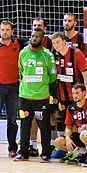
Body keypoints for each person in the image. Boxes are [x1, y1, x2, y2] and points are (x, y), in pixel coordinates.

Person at [13, 28, 57, 162]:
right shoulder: (23, 53)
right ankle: (24, 152)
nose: (34, 38)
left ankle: (45, 154)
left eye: (37, 36)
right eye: (33, 36)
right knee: (25, 125)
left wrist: (41, 85)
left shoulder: (47, 55)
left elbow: (52, 76)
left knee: (44, 127)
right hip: (25, 96)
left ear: (42, 39)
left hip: (41, 98)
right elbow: (21, 70)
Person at [51, 32, 87, 158]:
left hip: (76, 96)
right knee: (60, 120)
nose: (56, 45)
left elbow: (85, 74)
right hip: (61, 95)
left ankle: (80, 151)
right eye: (53, 43)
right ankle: (64, 150)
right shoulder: (53, 55)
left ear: (64, 41)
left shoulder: (76, 53)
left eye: (58, 42)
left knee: (77, 123)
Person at [29, 17, 55, 157]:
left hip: (50, 84)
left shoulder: (52, 41)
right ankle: (32, 144)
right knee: (32, 116)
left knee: (51, 115)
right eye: (34, 25)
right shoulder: (28, 44)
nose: (36, 27)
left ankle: (51, 144)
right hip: (33, 88)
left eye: (39, 25)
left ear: (44, 28)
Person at [0, 20, 24, 158]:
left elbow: (35, 41)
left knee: (12, 119)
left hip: (14, 86)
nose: (5, 32)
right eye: (2, 30)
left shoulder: (18, 44)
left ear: (12, 31)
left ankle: (12, 148)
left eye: (7, 29)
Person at [53, 83, 87, 164]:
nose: (74, 96)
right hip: (79, 136)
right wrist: (67, 138)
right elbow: (68, 126)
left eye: (77, 93)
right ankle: (81, 152)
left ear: (84, 93)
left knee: (84, 127)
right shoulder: (71, 108)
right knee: (58, 142)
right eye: (73, 93)